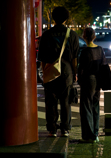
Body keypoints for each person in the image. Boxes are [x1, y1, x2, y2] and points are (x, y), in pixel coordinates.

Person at [37, 7, 79, 137]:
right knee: (66, 101)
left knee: (51, 101)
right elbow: (74, 58)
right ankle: (65, 128)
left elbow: (42, 58)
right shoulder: (72, 35)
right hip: (67, 72)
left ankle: (52, 128)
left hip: (51, 71)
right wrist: (74, 73)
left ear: (53, 18)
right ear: (66, 18)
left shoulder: (46, 34)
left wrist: (44, 72)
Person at [78, 28, 107, 143]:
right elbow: (104, 65)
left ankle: (88, 135)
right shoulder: (100, 49)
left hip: (88, 80)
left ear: (84, 37)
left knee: (86, 107)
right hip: (98, 80)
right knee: (95, 106)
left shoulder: (85, 51)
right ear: (94, 36)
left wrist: (79, 81)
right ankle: (95, 133)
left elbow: (81, 69)